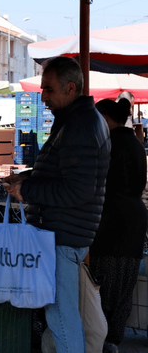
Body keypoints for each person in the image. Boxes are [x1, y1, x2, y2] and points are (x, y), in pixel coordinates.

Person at [3, 56, 110, 353]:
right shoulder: (76, 122)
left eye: (48, 89)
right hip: (67, 233)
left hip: (63, 236)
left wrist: (29, 190)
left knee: (62, 319)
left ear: (70, 88)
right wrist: (26, 178)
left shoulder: (80, 127)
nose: (43, 96)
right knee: (63, 317)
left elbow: (77, 190)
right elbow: (65, 173)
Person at [89, 98, 147, 353]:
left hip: (113, 222)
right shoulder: (134, 142)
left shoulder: (111, 144)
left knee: (102, 285)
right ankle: (112, 340)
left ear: (103, 117)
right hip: (132, 221)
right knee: (122, 286)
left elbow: (98, 184)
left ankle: (101, 340)